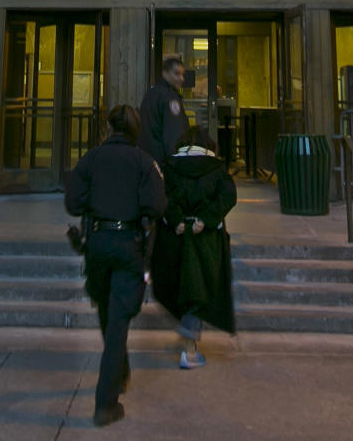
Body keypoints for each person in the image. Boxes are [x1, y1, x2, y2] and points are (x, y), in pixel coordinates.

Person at [65, 104, 167, 428]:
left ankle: (119, 372)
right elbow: (156, 205)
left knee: (109, 317)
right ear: (135, 130)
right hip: (128, 246)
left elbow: (73, 202)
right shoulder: (143, 162)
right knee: (118, 323)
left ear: (109, 128)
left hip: (97, 244)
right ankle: (106, 403)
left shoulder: (91, 159)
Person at [150, 126, 237, 369]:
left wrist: (177, 219)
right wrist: (207, 219)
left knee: (184, 283)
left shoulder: (170, 167)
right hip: (206, 238)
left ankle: (188, 337)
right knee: (199, 287)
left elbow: (163, 197)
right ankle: (189, 349)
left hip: (176, 237)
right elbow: (228, 196)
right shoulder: (217, 168)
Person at [138, 56, 189, 167]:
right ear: (165, 73)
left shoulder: (150, 94)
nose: (181, 78)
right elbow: (173, 134)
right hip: (164, 163)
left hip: (148, 160)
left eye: (182, 74)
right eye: (176, 74)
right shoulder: (169, 98)